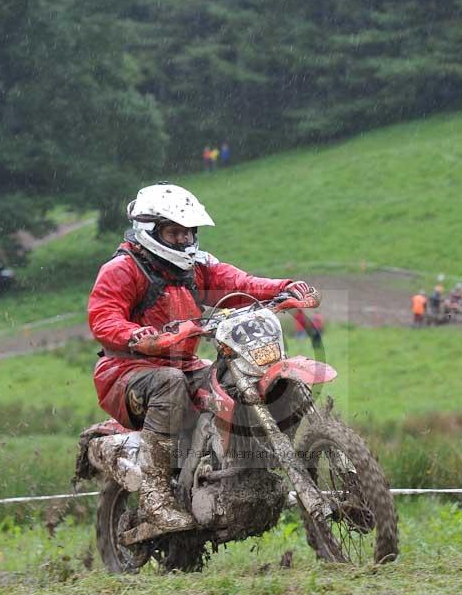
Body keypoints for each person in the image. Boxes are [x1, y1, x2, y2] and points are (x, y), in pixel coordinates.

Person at [88, 182, 313, 534]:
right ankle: (155, 493)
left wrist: (282, 288)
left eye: (187, 232)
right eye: (174, 232)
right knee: (170, 383)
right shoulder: (122, 269)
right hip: (127, 371)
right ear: (149, 230)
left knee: (238, 381)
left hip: (184, 363)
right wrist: (137, 336)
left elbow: (239, 283)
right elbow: (103, 316)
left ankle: (247, 469)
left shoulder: (195, 267)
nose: (182, 240)